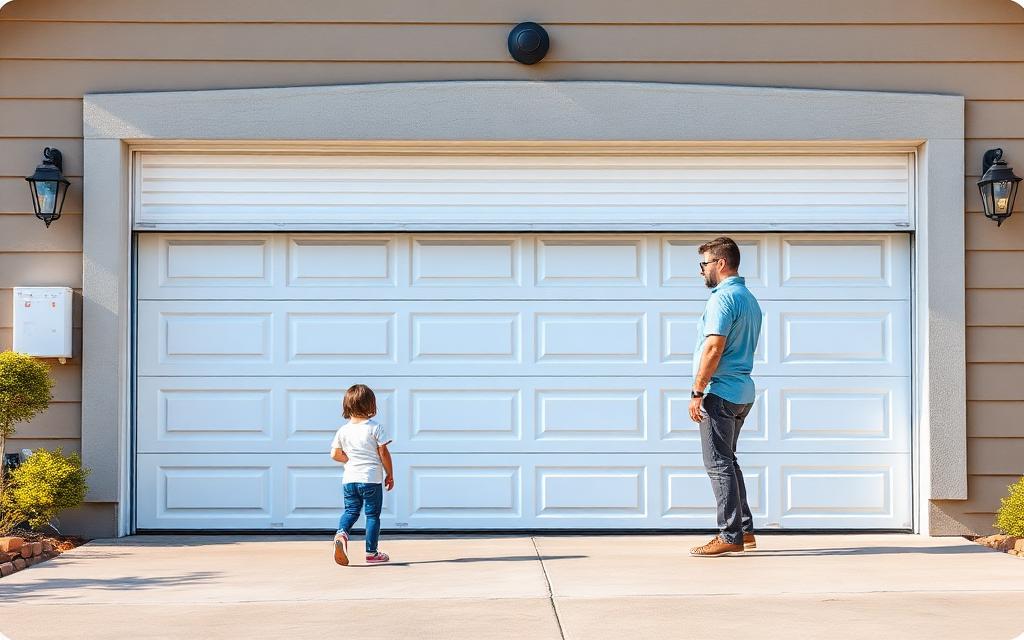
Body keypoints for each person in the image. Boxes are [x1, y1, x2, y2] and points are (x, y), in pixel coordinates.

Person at [688, 237, 763, 558]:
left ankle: (729, 534)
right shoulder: (748, 298)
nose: (701, 271)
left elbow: (714, 347)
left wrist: (697, 390)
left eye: (704, 264)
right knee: (729, 462)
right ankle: (744, 531)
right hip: (742, 391)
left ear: (720, 263)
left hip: (719, 392)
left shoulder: (723, 299)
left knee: (718, 464)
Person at [330, 384, 394, 565]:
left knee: (351, 511)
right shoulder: (375, 428)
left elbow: (335, 454)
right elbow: (383, 453)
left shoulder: (343, 430)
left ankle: (341, 533)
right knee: (372, 515)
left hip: (349, 479)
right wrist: (390, 474)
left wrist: (349, 460)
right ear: (371, 405)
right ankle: (371, 553)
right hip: (370, 479)